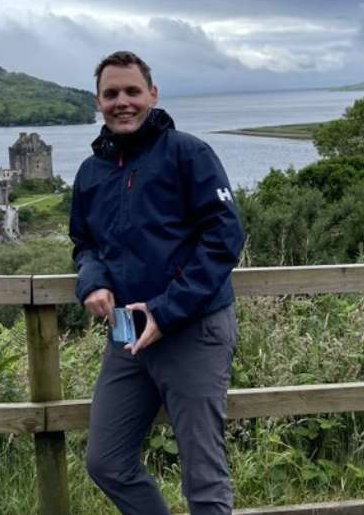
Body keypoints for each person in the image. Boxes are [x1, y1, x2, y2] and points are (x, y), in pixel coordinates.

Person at [70, 50, 244, 515]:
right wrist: (92, 282)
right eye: (111, 94)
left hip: (192, 329)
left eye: (132, 91)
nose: (121, 102)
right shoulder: (91, 173)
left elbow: (225, 238)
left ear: (152, 94)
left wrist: (167, 312)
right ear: (98, 101)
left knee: (202, 476)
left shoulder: (189, 153)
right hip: (127, 334)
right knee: (106, 462)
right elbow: (85, 243)